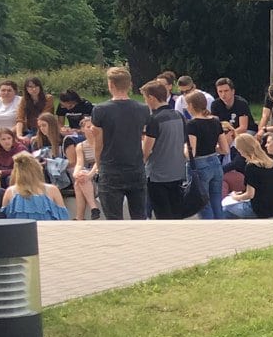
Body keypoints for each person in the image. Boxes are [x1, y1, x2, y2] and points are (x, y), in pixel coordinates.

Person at [92, 67, 151, 220]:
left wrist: (99, 165)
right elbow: (147, 138)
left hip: (111, 167)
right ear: (129, 85)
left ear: (110, 84)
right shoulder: (143, 109)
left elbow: (98, 143)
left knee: (114, 220)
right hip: (135, 167)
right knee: (139, 217)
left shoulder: (100, 110)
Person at [141, 78, 191, 218]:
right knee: (176, 213)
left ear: (151, 98)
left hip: (158, 176)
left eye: (145, 98)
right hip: (177, 172)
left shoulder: (154, 120)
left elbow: (146, 151)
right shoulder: (179, 115)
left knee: (163, 216)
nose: (145, 102)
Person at [221, 132, 273, 218]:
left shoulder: (251, 166)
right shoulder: (272, 163)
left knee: (224, 209)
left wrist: (235, 197)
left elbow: (250, 194)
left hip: (258, 209)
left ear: (242, 150)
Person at [184, 90, 229, 221]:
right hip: (215, 162)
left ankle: (209, 229)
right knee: (216, 200)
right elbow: (225, 149)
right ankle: (220, 226)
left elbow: (191, 152)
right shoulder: (215, 121)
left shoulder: (192, 124)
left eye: (187, 105)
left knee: (203, 202)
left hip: (199, 164)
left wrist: (183, 148)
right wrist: (211, 148)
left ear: (192, 106)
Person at [0, 151, 71, 221]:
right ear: (38, 169)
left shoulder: (10, 192)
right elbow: (63, 219)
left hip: (19, 232)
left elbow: (4, 221)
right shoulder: (53, 190)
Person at [65, 122, 98, 221]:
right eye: (88, 127)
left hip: (99, 170)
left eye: (93, 126)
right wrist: (76, 174)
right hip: (88, 173)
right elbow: (79, 163)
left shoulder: (101, 143)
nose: (91, 129)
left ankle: (80, 216)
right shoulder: (81, 146)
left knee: (81, 179)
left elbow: (98, 161)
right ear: (83, 129)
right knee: (79, 179)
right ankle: (93, 209)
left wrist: (89, 175)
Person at [19, 76, 51, 142]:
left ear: (40, 87)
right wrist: (19, 135)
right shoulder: (24, 100)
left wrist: (38, 136)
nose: (34, 89)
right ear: (26, 89)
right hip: (30, 130)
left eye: (36, 86)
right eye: (30, 87)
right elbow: (20, 118)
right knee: (23, 142)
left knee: (34, 141)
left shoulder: (48, 98)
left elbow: (44, 117)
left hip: (46, 129)